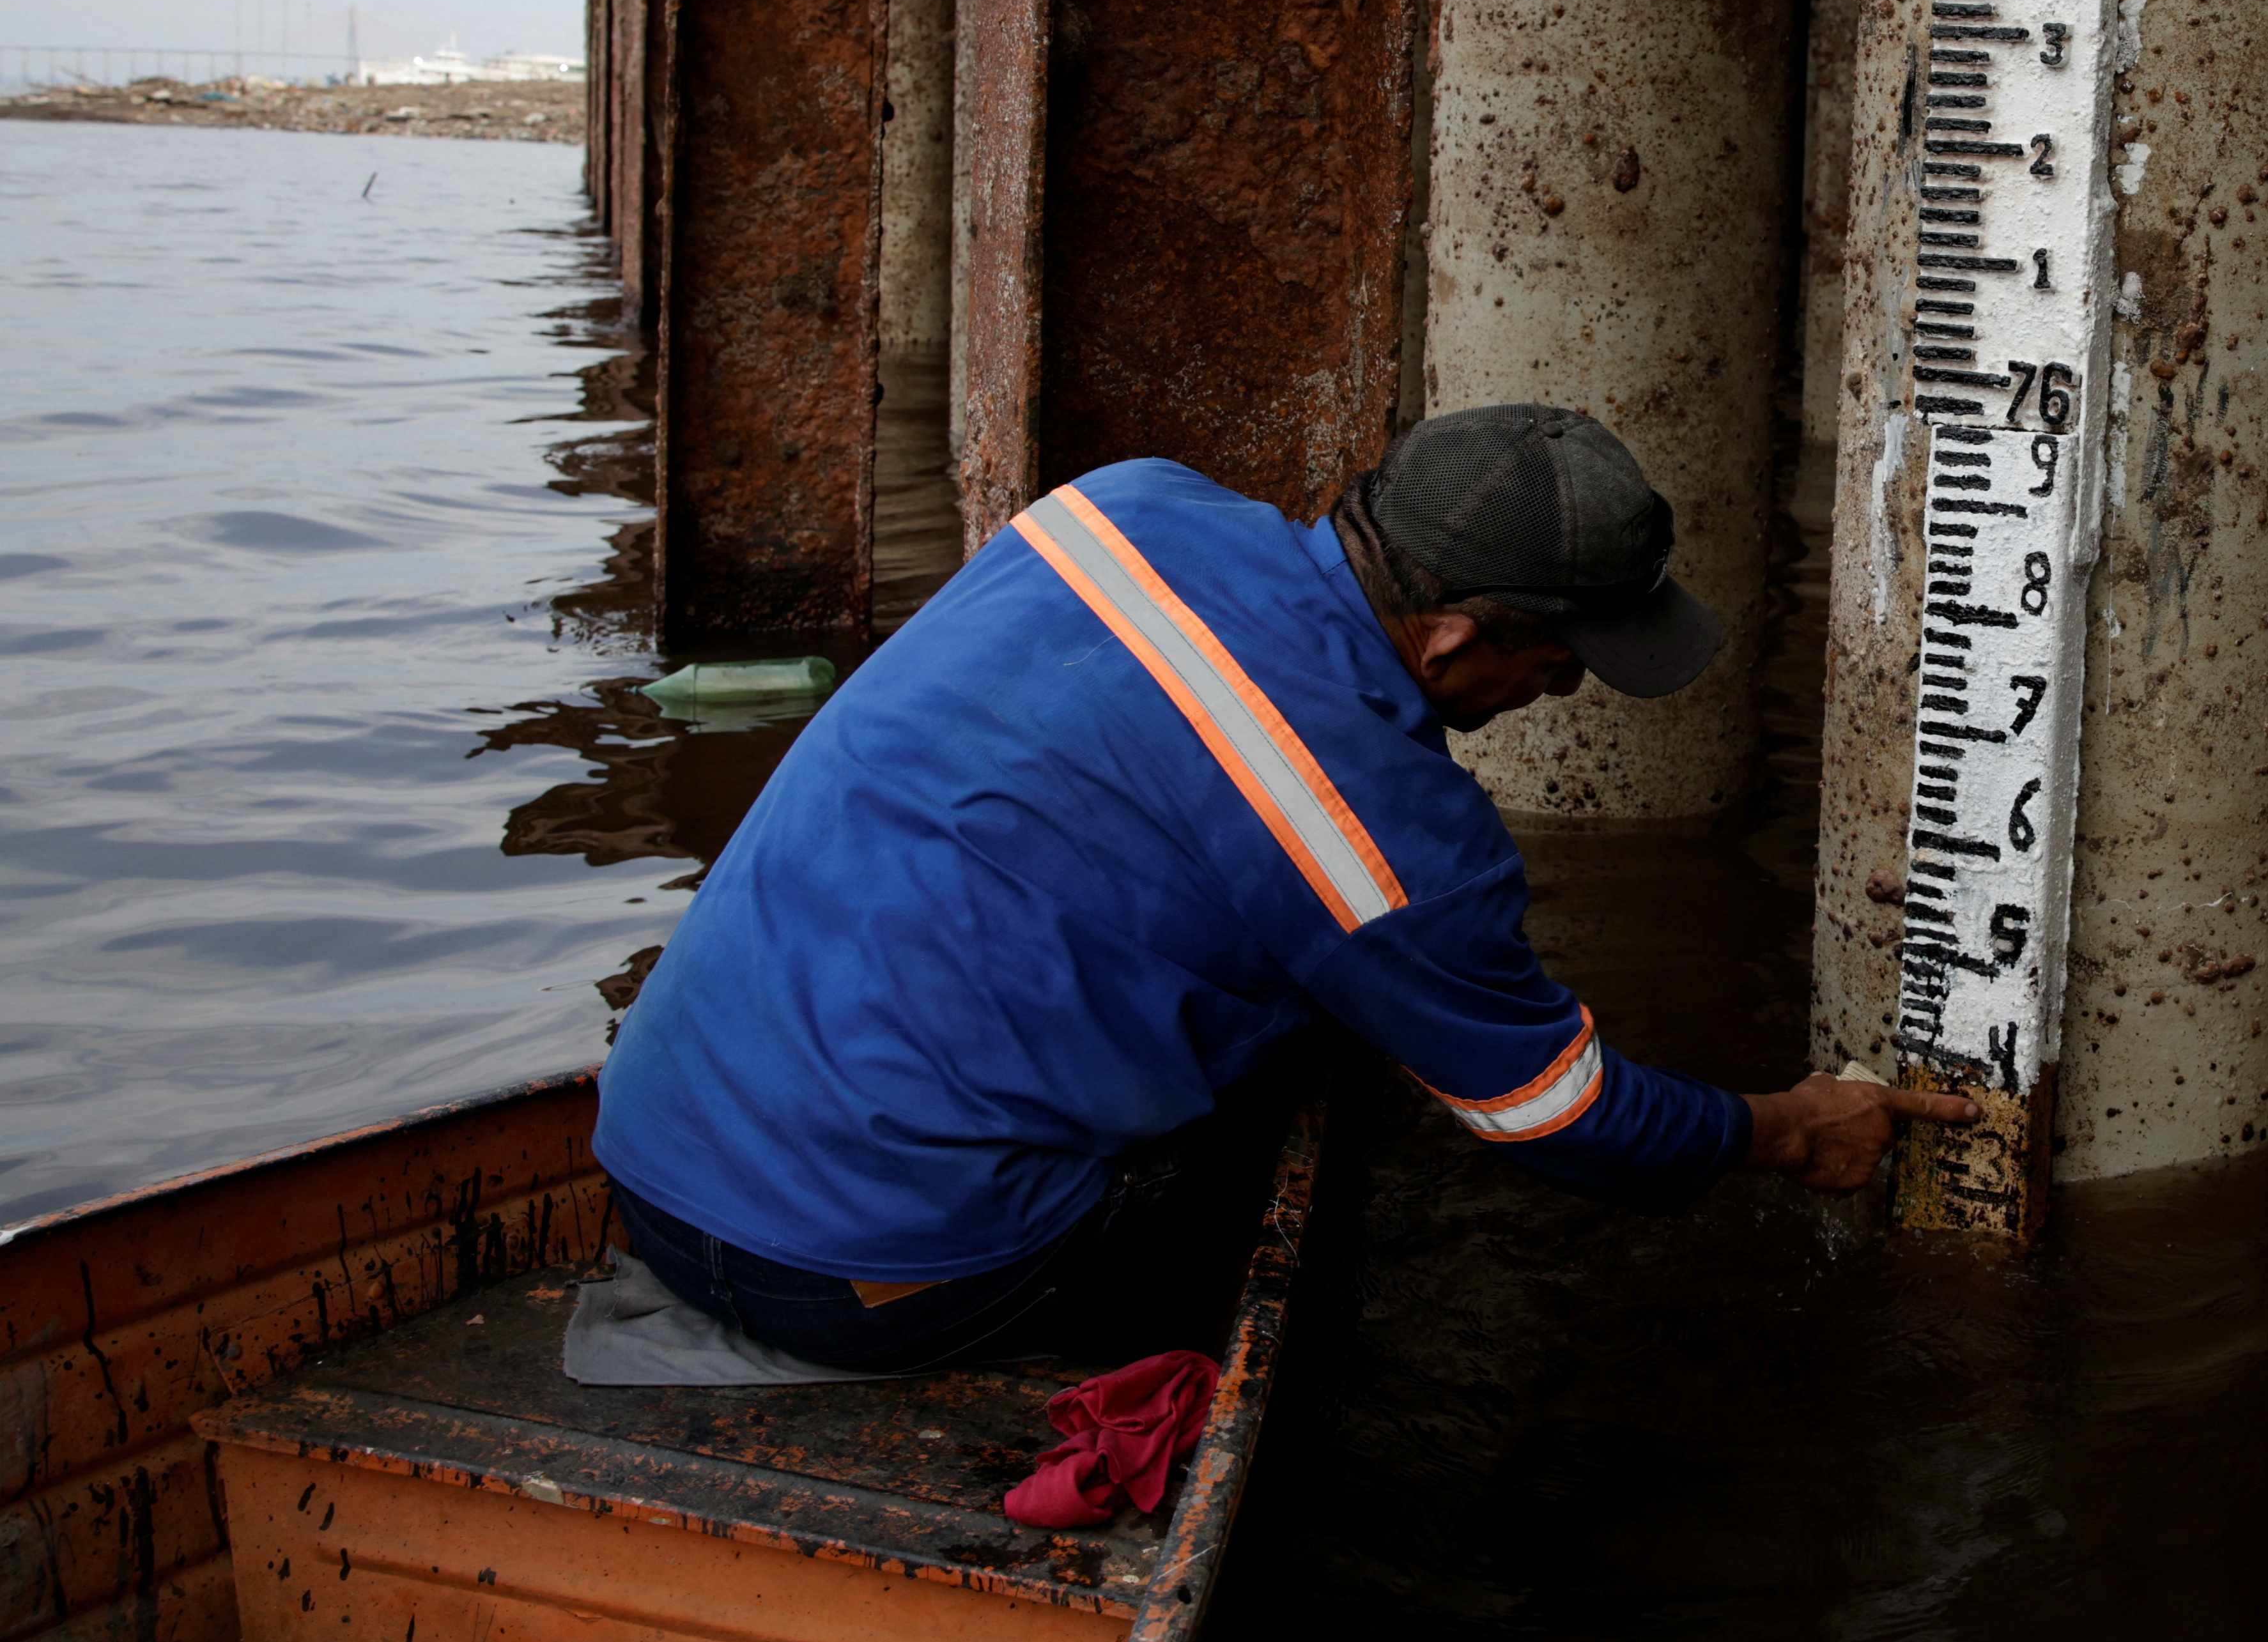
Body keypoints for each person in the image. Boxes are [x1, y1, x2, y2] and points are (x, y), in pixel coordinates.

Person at [592, 404, 1968, 1372]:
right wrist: (1786, 1127)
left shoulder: (1118, 505)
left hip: (649, 1142)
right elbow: (1566, 1116)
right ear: (1449, 636)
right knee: (1309, 1085)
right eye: (1565, 658)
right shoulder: (1397, 850)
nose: (1566, 687)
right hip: (869, 1276)